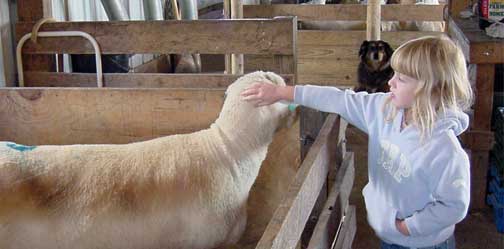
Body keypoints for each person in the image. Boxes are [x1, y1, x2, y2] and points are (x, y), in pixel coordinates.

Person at [241, 36, 473, 249]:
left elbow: (454, 206)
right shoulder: (384, 110)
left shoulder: (445, 150)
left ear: (430, 90)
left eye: (401, 79)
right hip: (390, 235)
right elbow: (339, 99)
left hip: (424, 243)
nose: (390, 83)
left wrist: (408, 227)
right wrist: (283, 92)